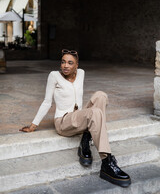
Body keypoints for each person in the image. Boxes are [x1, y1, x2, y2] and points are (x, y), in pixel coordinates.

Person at [19, 49, 131, 188]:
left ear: (76, 65)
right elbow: (47, 102)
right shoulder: (54, 76)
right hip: (64, 121)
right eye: (63, 62)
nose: (65, 65)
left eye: (70, 63)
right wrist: (33, 125)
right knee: (95, 113)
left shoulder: (81, 73)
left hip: (79, 116)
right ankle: (107, 162)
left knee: (101, 95)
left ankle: (86, 137)